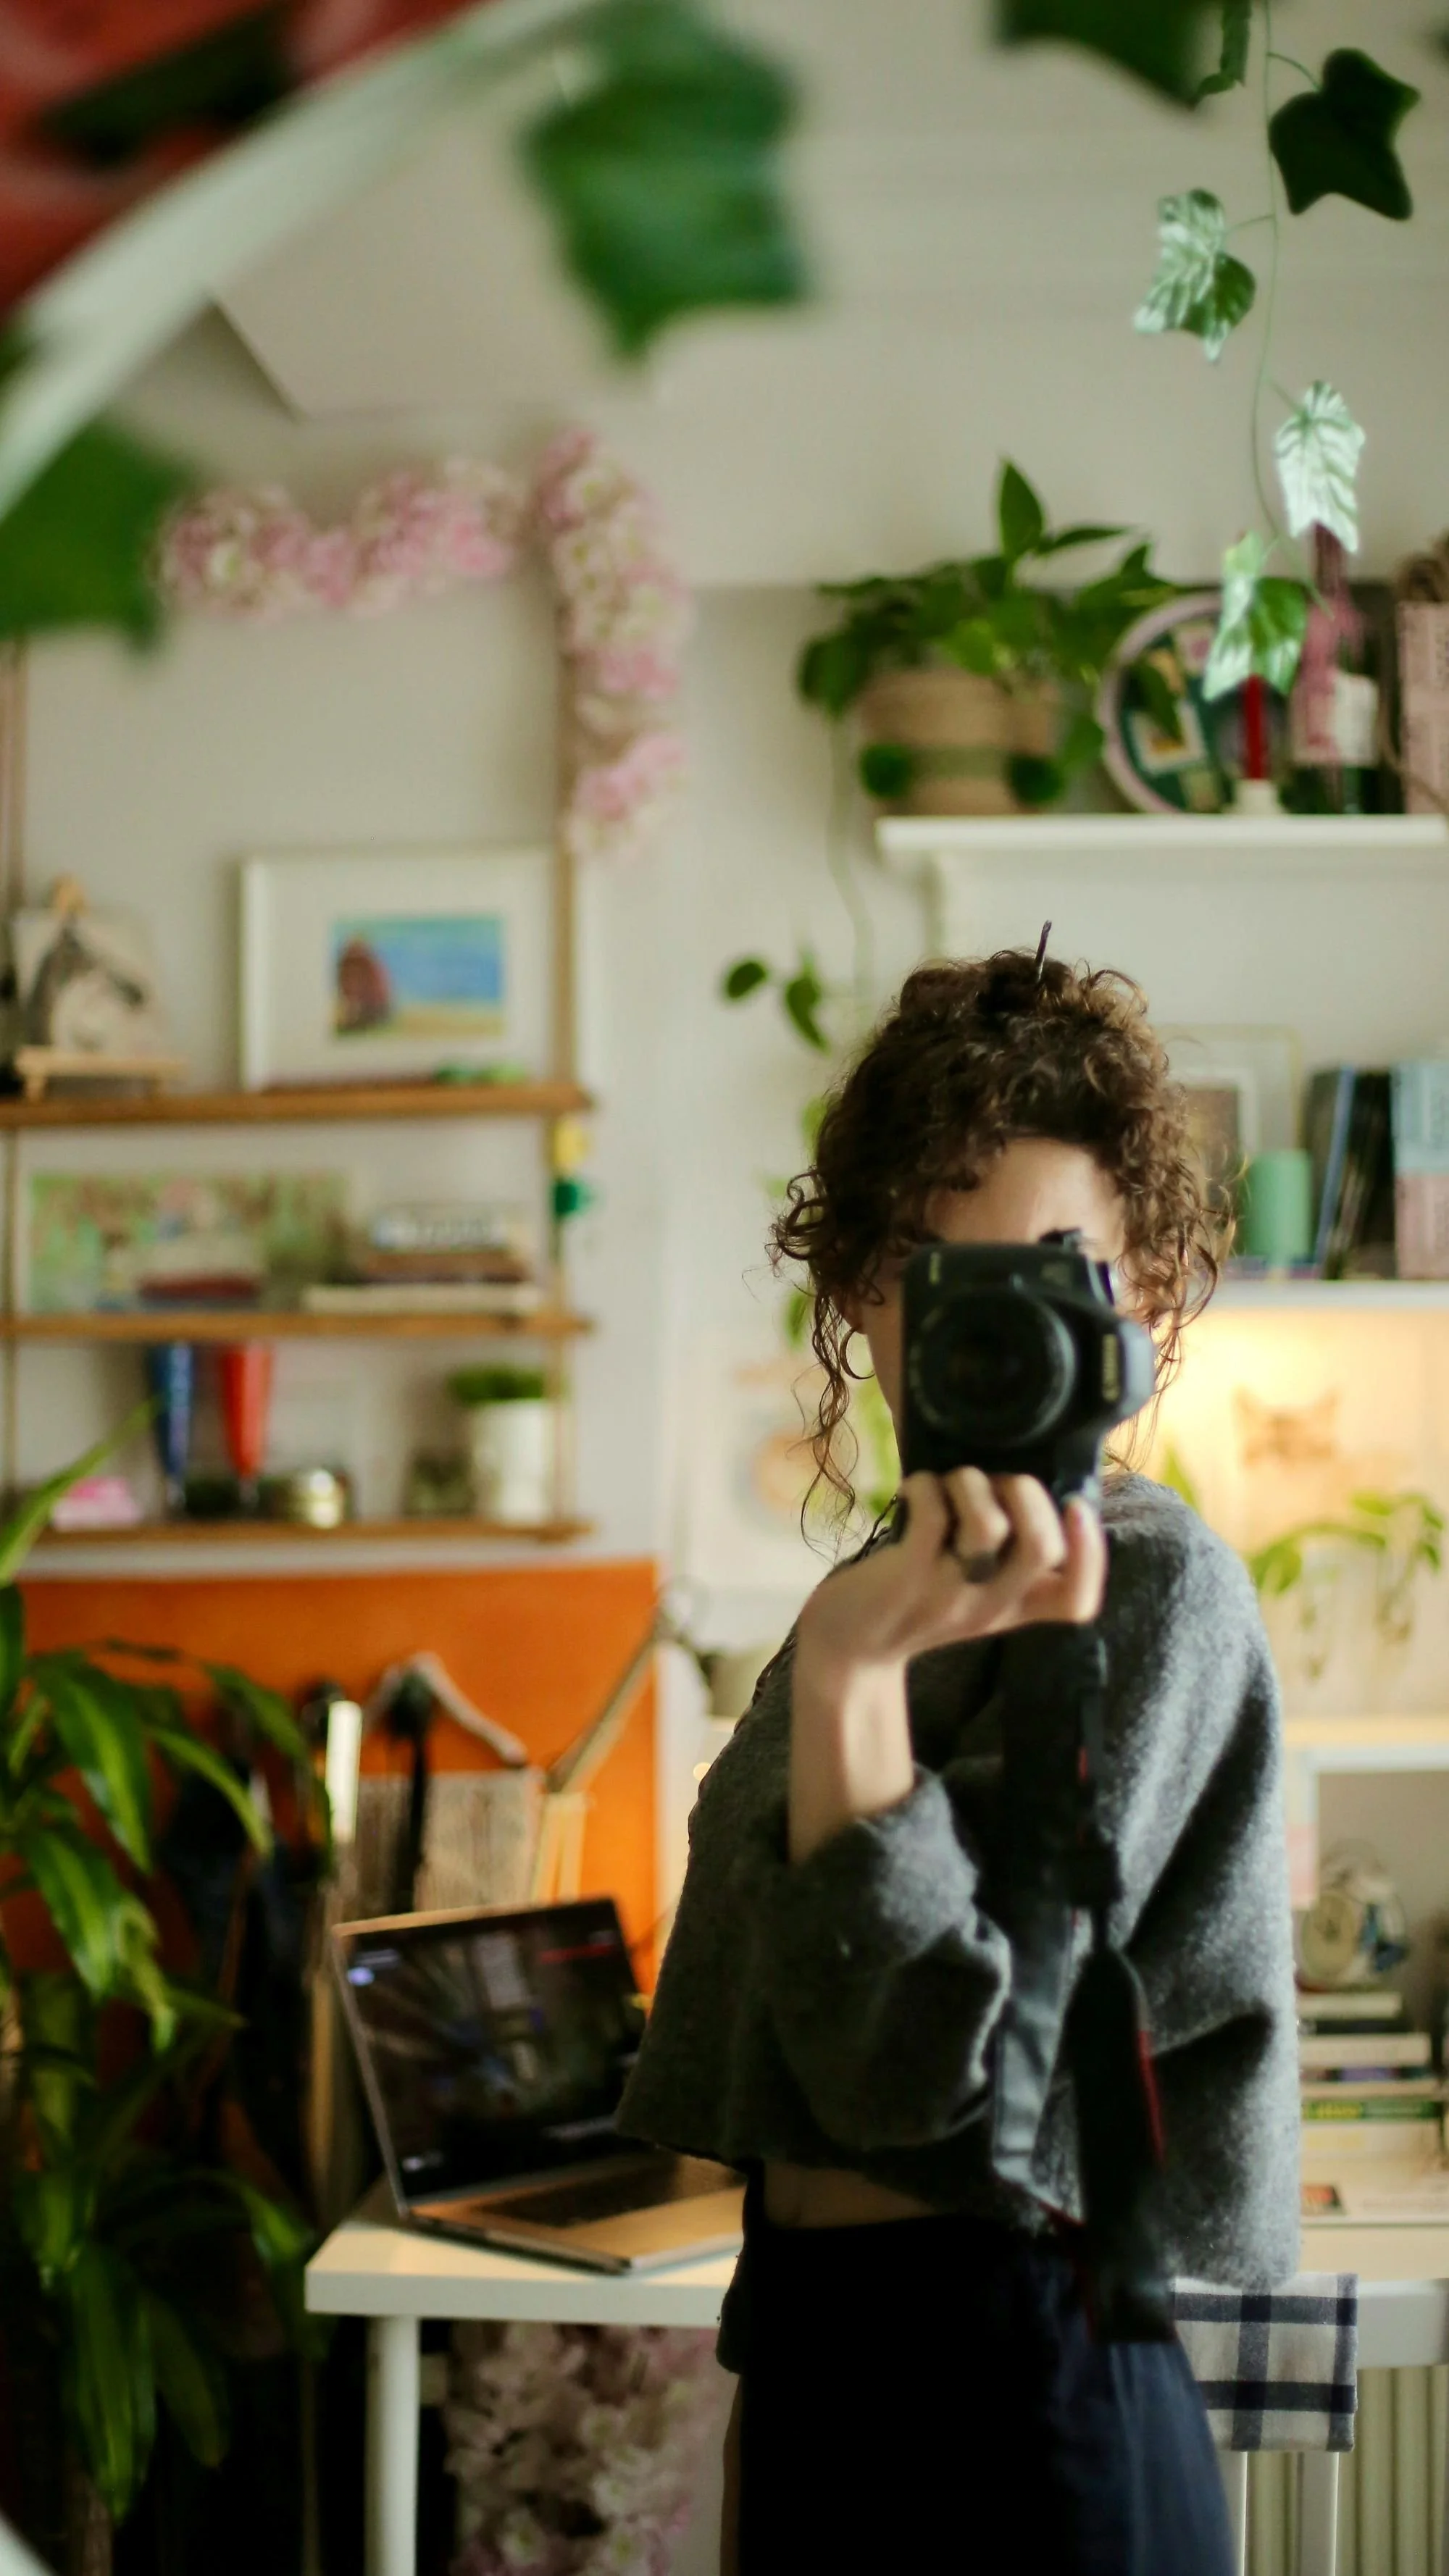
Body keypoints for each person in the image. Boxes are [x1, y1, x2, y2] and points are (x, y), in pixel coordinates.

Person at [619, 950, 1300, 2575]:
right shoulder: (878, 1583)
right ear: (859, 1284)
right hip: (827, 2359)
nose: (1000, 1314)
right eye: (939, 1264)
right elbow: (791, 2046)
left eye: (1059, 1269)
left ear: (1139, 1306)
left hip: (1023, 2384)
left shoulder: (1149, 1582)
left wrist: (861, 1669)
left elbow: (932, 2088)